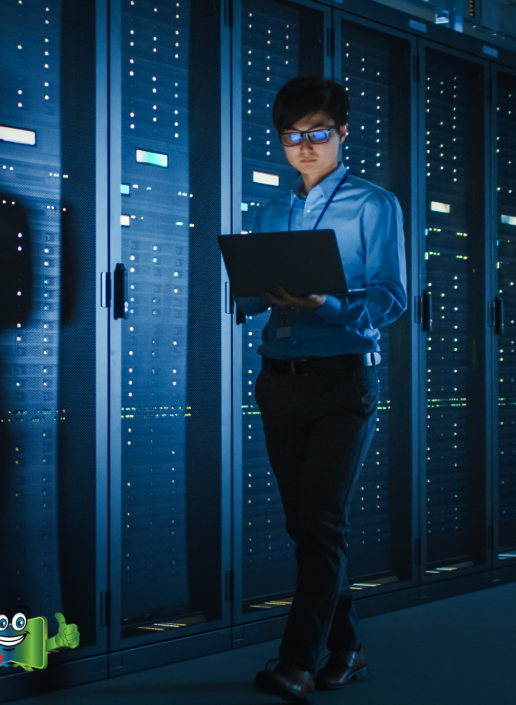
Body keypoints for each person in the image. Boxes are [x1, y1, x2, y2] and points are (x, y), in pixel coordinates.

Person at [234, 76, 407, 702]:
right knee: (306, 528)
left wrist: (326, 302)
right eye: (291, 137)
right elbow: (253, 298)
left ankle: (296, 663)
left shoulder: (373, 205)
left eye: (318, 134)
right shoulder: (272, 212)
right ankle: (349, 647)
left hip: (341, 383)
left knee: (322, 521)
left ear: (343, 133)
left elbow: (392, 298)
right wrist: (253, 291)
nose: (304, 147)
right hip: (278, 382)